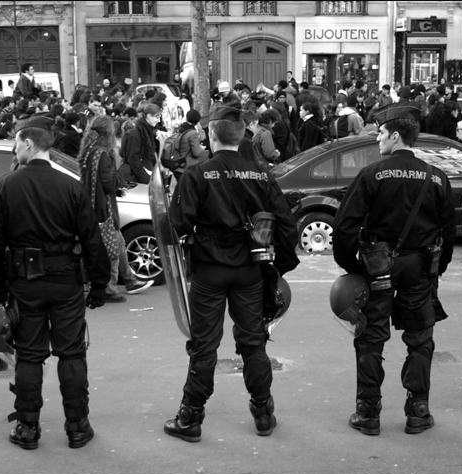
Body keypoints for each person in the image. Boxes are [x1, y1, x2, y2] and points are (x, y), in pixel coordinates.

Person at [163, 101, 299, 443]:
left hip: (209, 272)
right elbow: (286, 226)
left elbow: (176, 226)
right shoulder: (261, 175)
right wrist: (276, 267)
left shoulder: (197, 174)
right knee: (254, 343)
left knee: (205, 346)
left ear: (211, 134)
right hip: (251, 271)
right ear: (242, 137)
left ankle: (190, 418)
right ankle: (264, 413)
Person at [0, 125, 110, 450]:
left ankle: (27, 428)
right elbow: (92, 239)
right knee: (72, 354)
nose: (14, 151)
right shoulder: (71, 186)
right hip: (66, 281)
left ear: (28, 143)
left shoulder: (5, 187)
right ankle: (78, 426)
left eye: (15, 144)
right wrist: (99, 284)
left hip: (24, 284)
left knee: (29, 356)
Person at [331, 105, 456, 436]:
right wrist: (435, 269)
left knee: (371, 339)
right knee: (420, 340)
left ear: (396, 136)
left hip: (377, 267)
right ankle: (418, 410)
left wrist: (355, 268)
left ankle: (368, 412)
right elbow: (449, 231)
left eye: (381, 133)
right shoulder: (436, 177)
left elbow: (344, 229)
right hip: (420, 268)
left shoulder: (373, 174)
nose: (378, 138)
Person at [77, 116, 153, 302]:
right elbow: (109, 183)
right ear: (108, 134)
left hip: (94, 206)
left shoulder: (88, 152)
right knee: (112, 248)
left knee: (118, 244)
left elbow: (96, 183)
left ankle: (129, 280)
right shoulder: (102, 154)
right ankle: (110, 288)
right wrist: (125, 170)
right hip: (103, 210)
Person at [119, 103, 161, 183]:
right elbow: (133, 159)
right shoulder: (136, 133)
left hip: (145, 175)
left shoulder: (147, 130)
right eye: (157, 117)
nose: (159, 120)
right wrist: (145, 178)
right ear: (149, 116)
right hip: (138, 179)